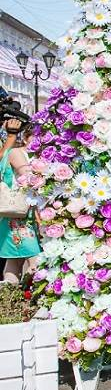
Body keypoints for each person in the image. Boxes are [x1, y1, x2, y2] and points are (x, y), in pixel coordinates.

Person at [0, 118, 39, 283]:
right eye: (36, 137)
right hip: (19, 214)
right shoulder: (17, 153)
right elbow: (29, 177)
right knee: (36, 259)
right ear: (25, 138)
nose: (39, 141)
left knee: (14, 260)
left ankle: (8, 299)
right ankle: (29, 296)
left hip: (23, 215)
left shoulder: (33, 155)